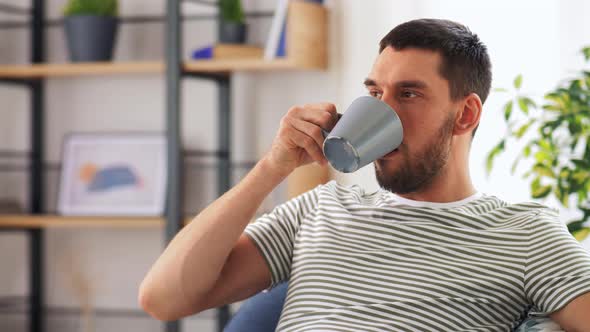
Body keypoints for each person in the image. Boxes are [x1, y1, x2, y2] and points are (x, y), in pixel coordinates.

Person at [138, 18, 590, 331]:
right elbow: (163, 299)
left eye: (409, 94)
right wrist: (271, 167)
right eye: (375, 92)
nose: (382, 110)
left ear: (465, 115)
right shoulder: (319, 209)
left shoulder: (523, 232)